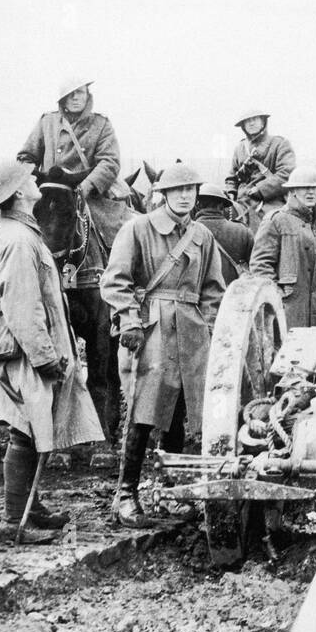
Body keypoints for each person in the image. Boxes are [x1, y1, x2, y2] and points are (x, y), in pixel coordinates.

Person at [0, 158, 105, 542]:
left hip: (14, 345)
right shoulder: (16, 240)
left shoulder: (16, 231)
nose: (36, 181)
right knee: (25, 428)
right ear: (18, 194)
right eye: (29, 179)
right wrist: (46, 358)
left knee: (32, 424)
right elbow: (23, 307)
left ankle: (32, 506)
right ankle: (15, 521)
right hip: (17, 348)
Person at [101, 162, 226, 527]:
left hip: (190, 330)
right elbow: (115, 281)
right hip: (151, 328)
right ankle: (126, 494)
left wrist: (209, 327)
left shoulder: (203, 236)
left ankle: (170, 492)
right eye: (178, 190)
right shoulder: (138, 228)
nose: (186, 196)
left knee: (178, 413)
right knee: (144, 411)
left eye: (191, 189)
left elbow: (213, 290)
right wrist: (129, 320)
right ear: (164, 194)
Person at [17, 77, 132, 255]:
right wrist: (36, 183)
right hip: (48, 195)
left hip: (87, 194)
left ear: (87, 95)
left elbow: (109, 161)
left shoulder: (101, 125)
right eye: (70, 95)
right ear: (62, 99)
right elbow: (26, 157)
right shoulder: (47, 122)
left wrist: (87, 186)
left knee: (119, 237)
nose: (75, 98)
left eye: (80, 93)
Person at [249, 166, 316, 328]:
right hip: (289, 312)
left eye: (315, 188)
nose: (311, 192)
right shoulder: (276, 220)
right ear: (293, 191)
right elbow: (260, 266)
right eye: (305, 187)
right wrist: (277, 297)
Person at [224, 110, 296, 230]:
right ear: (243, 126)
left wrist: (260, 189)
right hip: (242, 199)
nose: (251, 123)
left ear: (263, 121)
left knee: (276, 224)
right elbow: (232, 177)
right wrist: (230, 192)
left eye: (255, 119)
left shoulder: (280, 144)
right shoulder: (240, 148)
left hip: (270, 199)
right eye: (247, 121)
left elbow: (286, 174)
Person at [193, 182, 253, 285]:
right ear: (222, 206)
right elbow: (254, 265)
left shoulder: (187, 231)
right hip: (231, 295)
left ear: (197, 205)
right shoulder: (242, 231)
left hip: (199, 296)